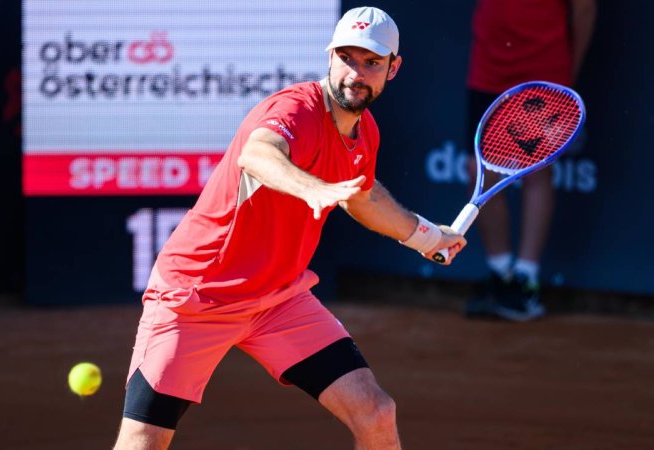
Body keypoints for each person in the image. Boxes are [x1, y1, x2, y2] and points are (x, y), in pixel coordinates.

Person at [113, 7, 466, 450]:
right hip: (197, 296)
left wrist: (429, 237)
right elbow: (259, 155)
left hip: (279, 301)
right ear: (330, 56)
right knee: (143, 440)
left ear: (392, 69)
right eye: (348, 58)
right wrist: (311, 189)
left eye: (372, 62)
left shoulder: (365, 132)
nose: (356, 73)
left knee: (376, 412)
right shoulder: (294, 110)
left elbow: (364, 195)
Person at [463, 0, 596, 322]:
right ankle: (500, 274)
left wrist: (567, 73)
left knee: (537, 172)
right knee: (477, 169)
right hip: (489, 65)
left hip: (543, 68)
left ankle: (527, 281)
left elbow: (585, 8)